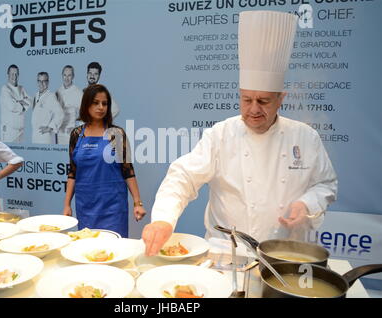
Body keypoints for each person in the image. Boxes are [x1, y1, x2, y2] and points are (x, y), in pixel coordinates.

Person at [141, 11, 338, 256]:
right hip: (225, 252)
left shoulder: (305, 137)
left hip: (283, 253)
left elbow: (326, 184)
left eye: (263, 101)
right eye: (246, 99)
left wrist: (306, 204)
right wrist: (163, 218)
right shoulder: (221, 134)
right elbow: (183, 177)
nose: (253, 109)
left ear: (280, 99)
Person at [63, 84, 146, 237]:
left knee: (115, 251)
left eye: (104, 103)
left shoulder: (117, 133)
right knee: (88, 251)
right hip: (86, 206)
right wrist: (67, 205)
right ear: (86, 105)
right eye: (95, 103)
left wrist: (137, 202)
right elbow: (73, 172)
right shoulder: (76, 134)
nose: (101, 107)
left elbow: (128, 171)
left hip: (113, 207)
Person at [0, 64, 31, 143]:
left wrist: (17, 101)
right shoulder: (5, 89)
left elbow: (30, 101)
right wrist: (22, 103)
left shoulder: (21, 88)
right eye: (12, 74)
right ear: (8, 75)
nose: (14, 76)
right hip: (9, 132)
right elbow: (12, 106)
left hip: (20, 131)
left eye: (16, 74)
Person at [31, 72, 64, 144]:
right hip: (36, 136)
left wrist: (50, 128)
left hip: (45, 137)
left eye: (44, 81)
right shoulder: (36, 96)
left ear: (48, 82)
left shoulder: (51, 96)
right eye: (39, 81)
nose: (41, 83)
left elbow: (60, 114)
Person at [56, 65, 83, 145]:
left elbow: (85, 114)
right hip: (59, 133)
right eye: (64, 75)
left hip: (71, 134)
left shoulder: (78, 93)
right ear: (62, 75)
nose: (66, 78)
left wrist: (76, 129)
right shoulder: (58, 91)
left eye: (69, 75)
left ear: (73, 76)